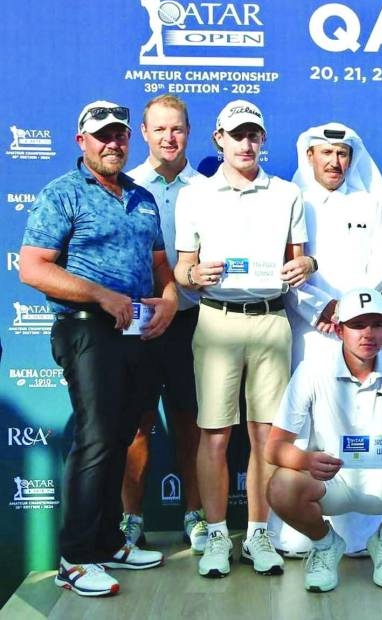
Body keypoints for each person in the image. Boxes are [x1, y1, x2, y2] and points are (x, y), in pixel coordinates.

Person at [19, 100, 171, 596]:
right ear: (81, 141)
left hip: (135, 333)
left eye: (120, 135)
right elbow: (33, 267)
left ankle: (107, 542)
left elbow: (160, 265)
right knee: (96, 437)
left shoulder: (142, 197)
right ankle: (77, 559)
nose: (113, 143)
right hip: (86, 329)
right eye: (102, 135)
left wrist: (169, 299)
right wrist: (101, 295)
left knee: (120, 436)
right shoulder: (62, 193)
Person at [174, 99, 314, 578]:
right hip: (217, 320)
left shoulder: (287, 193)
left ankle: (258, 534)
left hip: (272, 319)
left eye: (253, 134)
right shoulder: (195, 195)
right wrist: (193, 274)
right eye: (237, 135)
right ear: (219, 139)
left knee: (265, 436)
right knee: (214, 433)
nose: (246, 144)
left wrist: (307, 264)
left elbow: (300, 256)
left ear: (263, 139)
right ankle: (217, 534)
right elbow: (182, 267)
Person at [265, 288, 382, 592]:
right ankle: (325, 545)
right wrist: (307, 460)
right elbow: (274, 447)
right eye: (357, 325)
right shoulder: (312, 369)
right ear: (339, 330)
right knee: (281, 486)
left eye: (377, 324)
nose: (369, 334)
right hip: (330, 479)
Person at [268, 122, 382, 558]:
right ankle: (301, 533)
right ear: (310, 156)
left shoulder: (369, 202)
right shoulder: (291, 199)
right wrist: (321, 309)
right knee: (305, 426)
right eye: (326, 153)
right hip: (312, 331)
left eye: (342, 154)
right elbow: (284, 267)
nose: (335, 162)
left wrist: (353, 314)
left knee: (359, 424)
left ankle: (360, 532)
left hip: (359, 333)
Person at [120, 94, 206, 552]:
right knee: (137, 426)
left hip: (193, 321)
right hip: (140, 323)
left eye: (177, 129)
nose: (169, 137)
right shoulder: (127, 185)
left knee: (192, 423)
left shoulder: (209, 188)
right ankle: (130, 520)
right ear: (145, 134)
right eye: (160, 129)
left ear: (188, 132)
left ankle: (196, 516)